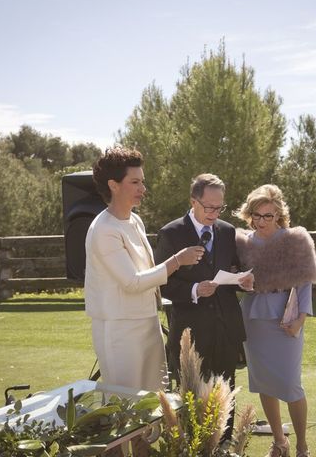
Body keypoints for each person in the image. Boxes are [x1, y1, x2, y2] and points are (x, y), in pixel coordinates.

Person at [84, 146, 204, 392]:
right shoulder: (104, 229)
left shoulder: (135, 220)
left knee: (155, 399)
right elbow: (132, 282)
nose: (143, 189)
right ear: (113, 185)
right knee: (126, 404)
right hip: (119, 329)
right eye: (135, 182)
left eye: (143, 181)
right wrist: (177, 261)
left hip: (148, 322)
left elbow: (147, 270)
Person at [154, 173, 253, 439]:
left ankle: (224, 446)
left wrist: (241, 280)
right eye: (209, 207)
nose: (214, 213)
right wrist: (194, 290)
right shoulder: (171, 233)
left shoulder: (227, 230)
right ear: (193, 201)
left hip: (226, 328)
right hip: (191, 331)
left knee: (226, 393)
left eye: (219, 207)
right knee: (193, 397)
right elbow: (161, 283)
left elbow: (229, 270)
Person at [235, 184, 316, 457]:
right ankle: (279, 441)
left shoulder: (296, 240)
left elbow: (306, 283)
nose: (261, 222)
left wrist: (301, 320)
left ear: (279, 215)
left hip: (287, 319)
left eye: (267, 216)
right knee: (264, 382)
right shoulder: (242, 242)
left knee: (291, 384)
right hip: (254, 319)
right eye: (256, 216)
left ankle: (302, 445)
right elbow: (234, 279)